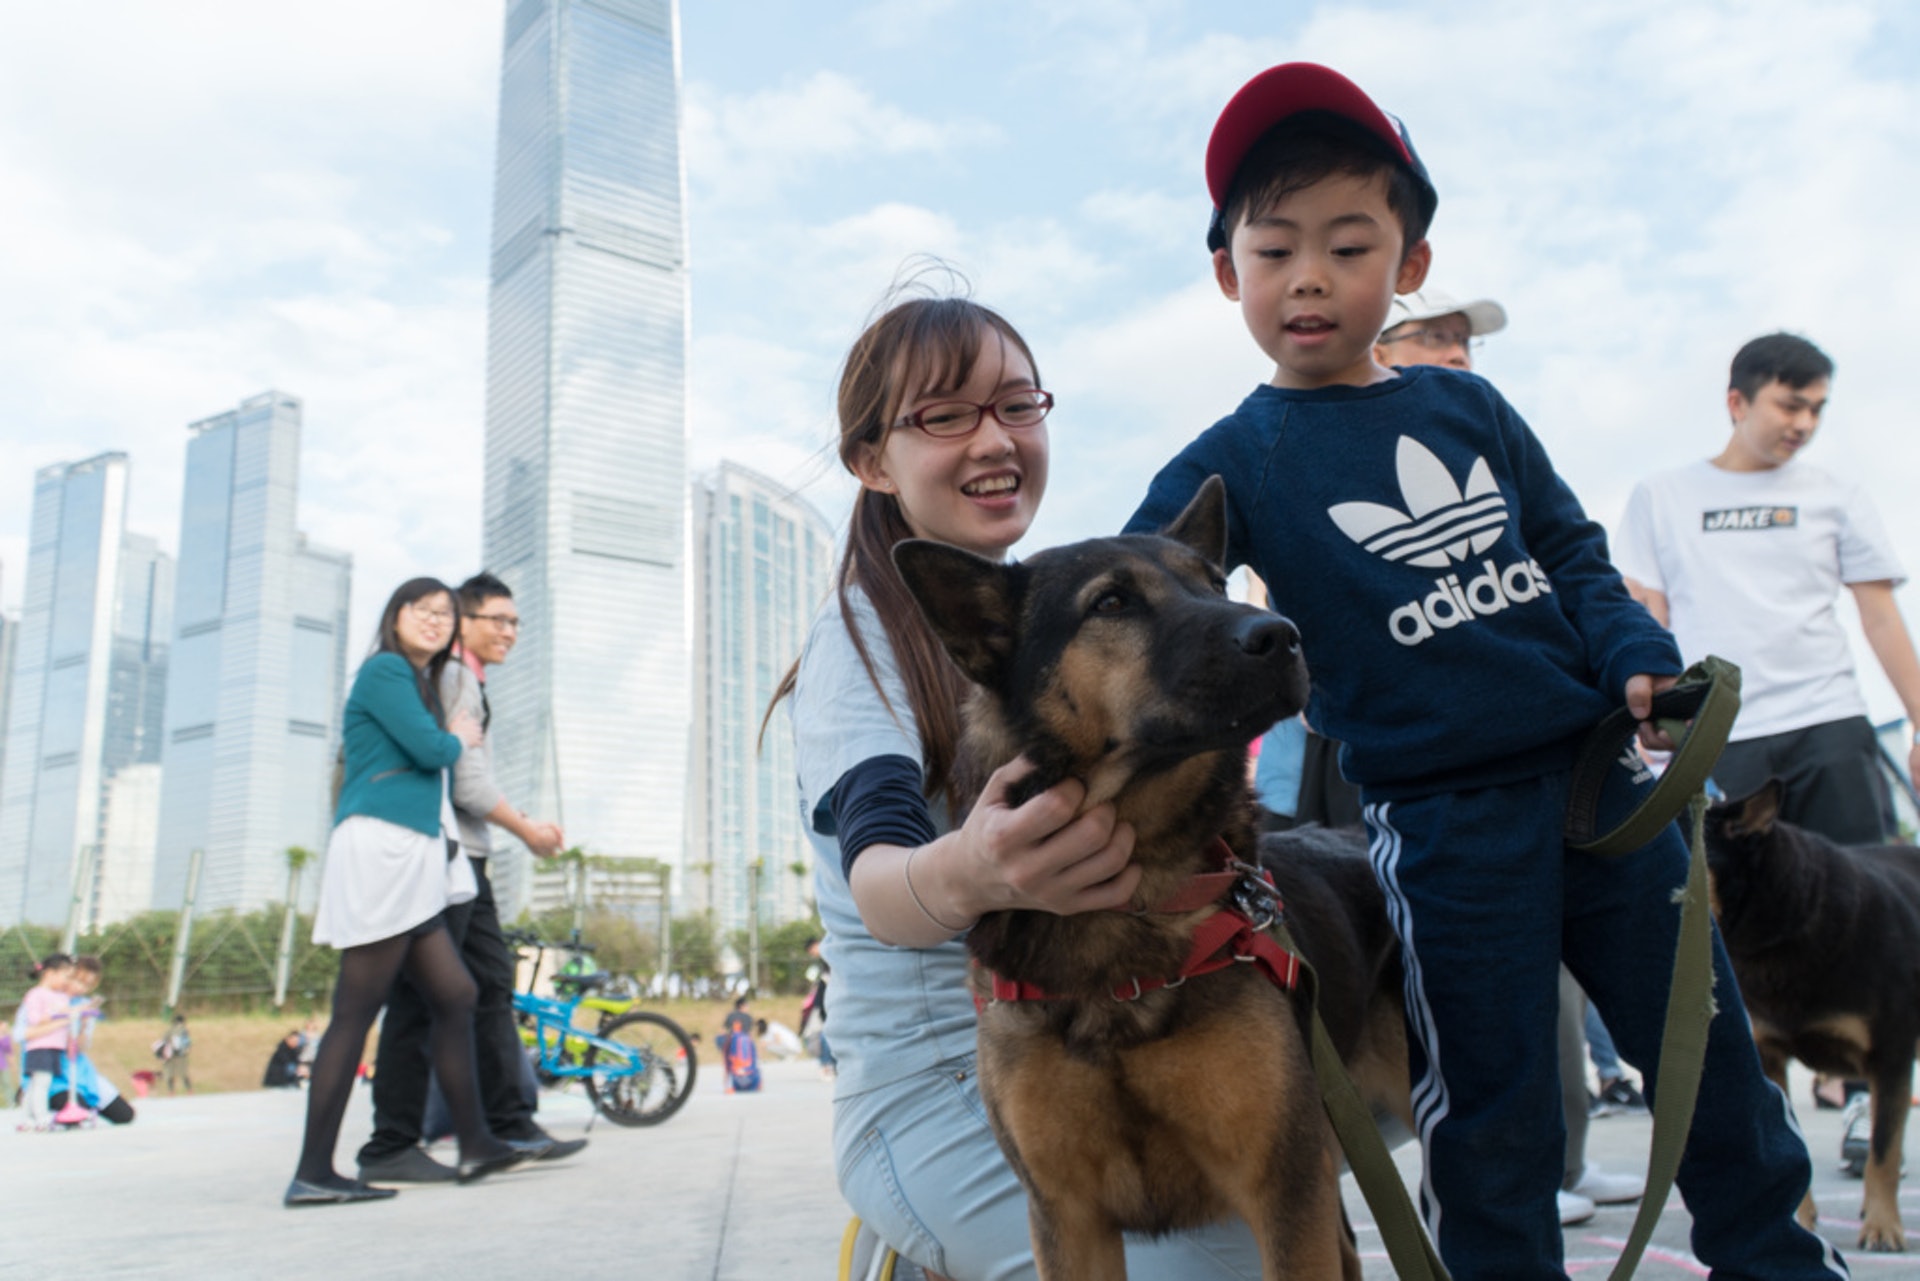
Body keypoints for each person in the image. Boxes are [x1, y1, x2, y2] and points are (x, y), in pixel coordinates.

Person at [1125, 63, 1843, 1276]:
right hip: (1445, 825)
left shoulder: (1474, 412)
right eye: (1275, 249)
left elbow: (1572, 555)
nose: (1310, 276)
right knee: (1495, 1109)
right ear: (1226, 274)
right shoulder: (1231, 460)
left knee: (1709, 1065)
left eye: (1351, 246)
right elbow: (1146, 591)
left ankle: (1778, 1259)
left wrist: (1640, 667)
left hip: (1605, 787)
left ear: (1408, 265)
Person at [780, 289, 1267, 1278]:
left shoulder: (1050, 617)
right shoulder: (859, 640)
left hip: (1097, 1038)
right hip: (941, 1082)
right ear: (874, 462)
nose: (994, 440)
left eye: (1017, 405)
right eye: (945, 416)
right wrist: (974, 872)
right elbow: (880, 883)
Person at [1373, 284, 1644, 1225]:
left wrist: (1629, 656)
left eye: (1462, 344)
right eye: (1432, 340)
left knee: (1565, 989)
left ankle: (1564, 1164)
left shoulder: (1489, 430)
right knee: (1471, 1015)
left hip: (1568, 770)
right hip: (1423, 791)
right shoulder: (1291, 462)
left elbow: (1575, 559)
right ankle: (1493, 1189)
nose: (1456, 357)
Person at [1615, 332, 1920, 845]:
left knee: (1860, 906)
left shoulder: (1836, 494)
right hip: (1719, 735)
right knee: (1739, 915)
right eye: (1790, 405)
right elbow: (1649, 613)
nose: (1804, 424)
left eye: (1817, 410)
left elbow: (1881, 616)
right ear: (1737, 402)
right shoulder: (1661, 496)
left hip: (1831, 724)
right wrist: (1649, 713)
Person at [288, 576, 526, 1208]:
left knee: (457, 994)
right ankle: (313, 1170)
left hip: (412, 855)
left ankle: (475, 1143)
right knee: (355, 1011)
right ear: (394, 616)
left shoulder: (416, 681)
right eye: (422, 610)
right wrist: (458, 739)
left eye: (444, 613)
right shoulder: (386, 672)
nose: (435, 620)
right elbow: (430, 750)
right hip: (380, 849)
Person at [356, 571, 580, 1184]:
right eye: (497, 621)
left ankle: (503, 1122)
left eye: (515, 622)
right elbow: (468, 779)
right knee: (426, 997)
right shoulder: (453, 677)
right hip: (445, 855)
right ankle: (395, 1139)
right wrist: (529, 830)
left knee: (483, 987)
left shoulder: (457, 677)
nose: (509, 632)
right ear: (464, 622)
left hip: (462, 854)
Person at [48, 954, 134, 1125]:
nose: (80, 988)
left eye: (87, 985)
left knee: (125, 1115)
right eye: (77, 981)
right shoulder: (49, 999)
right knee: (77, 1111)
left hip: (78, 1070)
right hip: (54, 1073)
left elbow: (80, 1048)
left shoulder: (85, 1005)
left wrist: (83, 1025)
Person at [14, 954, 74, 1131]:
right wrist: (58, 1016)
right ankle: (41, 1118)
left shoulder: (61, 996)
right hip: (39, 1047)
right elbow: (35, 1019)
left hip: (55, 1047)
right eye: (65, 976)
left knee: (36, 1084)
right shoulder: (36, 995)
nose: (67, 981)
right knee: (41, 1083)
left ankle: (27, 1119)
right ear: (50, 973)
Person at [155, 1014, 192, 1094]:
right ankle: (189, 1091)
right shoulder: (183, 1030)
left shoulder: (169, 1030)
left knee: (169, 1074)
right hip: (181, 1055)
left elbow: (163, 1041)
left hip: (169, 1056)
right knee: (183, 1073)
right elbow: (187, 1043)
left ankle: (171, 1092)